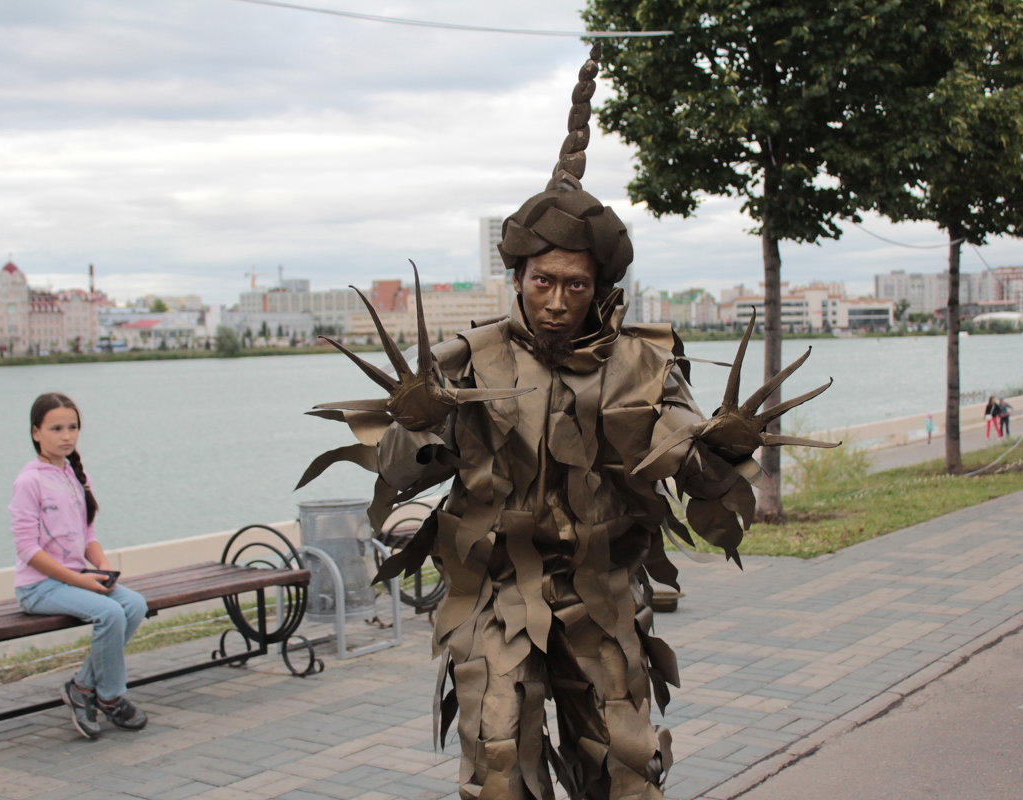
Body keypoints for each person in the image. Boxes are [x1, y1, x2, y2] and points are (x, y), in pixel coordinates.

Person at [301, 46, 833, 800]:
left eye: (575, 285)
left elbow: (698, 479)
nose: (556, 300)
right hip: (492, 593)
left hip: (604, 590)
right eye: (542, 281)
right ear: (516, 279)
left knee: (624, 765)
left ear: (601, 289)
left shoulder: (646, 364)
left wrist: (719, 456)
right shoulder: (468, 361)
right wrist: (419, 428)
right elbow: (398, 471)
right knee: (496, 764)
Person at [10, 392, 148, 739]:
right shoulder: (29, 481)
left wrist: (100, 564)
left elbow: (88, 532)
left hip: (75, 579)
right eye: (56, 428)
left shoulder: (74, 475)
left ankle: (83, 687)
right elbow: (27, 549)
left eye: (72, 427)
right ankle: (112, 696)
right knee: (110, 613)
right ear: (36, 432)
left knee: (134, 604)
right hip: (39, 587)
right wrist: (79, 580)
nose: (66, 435)